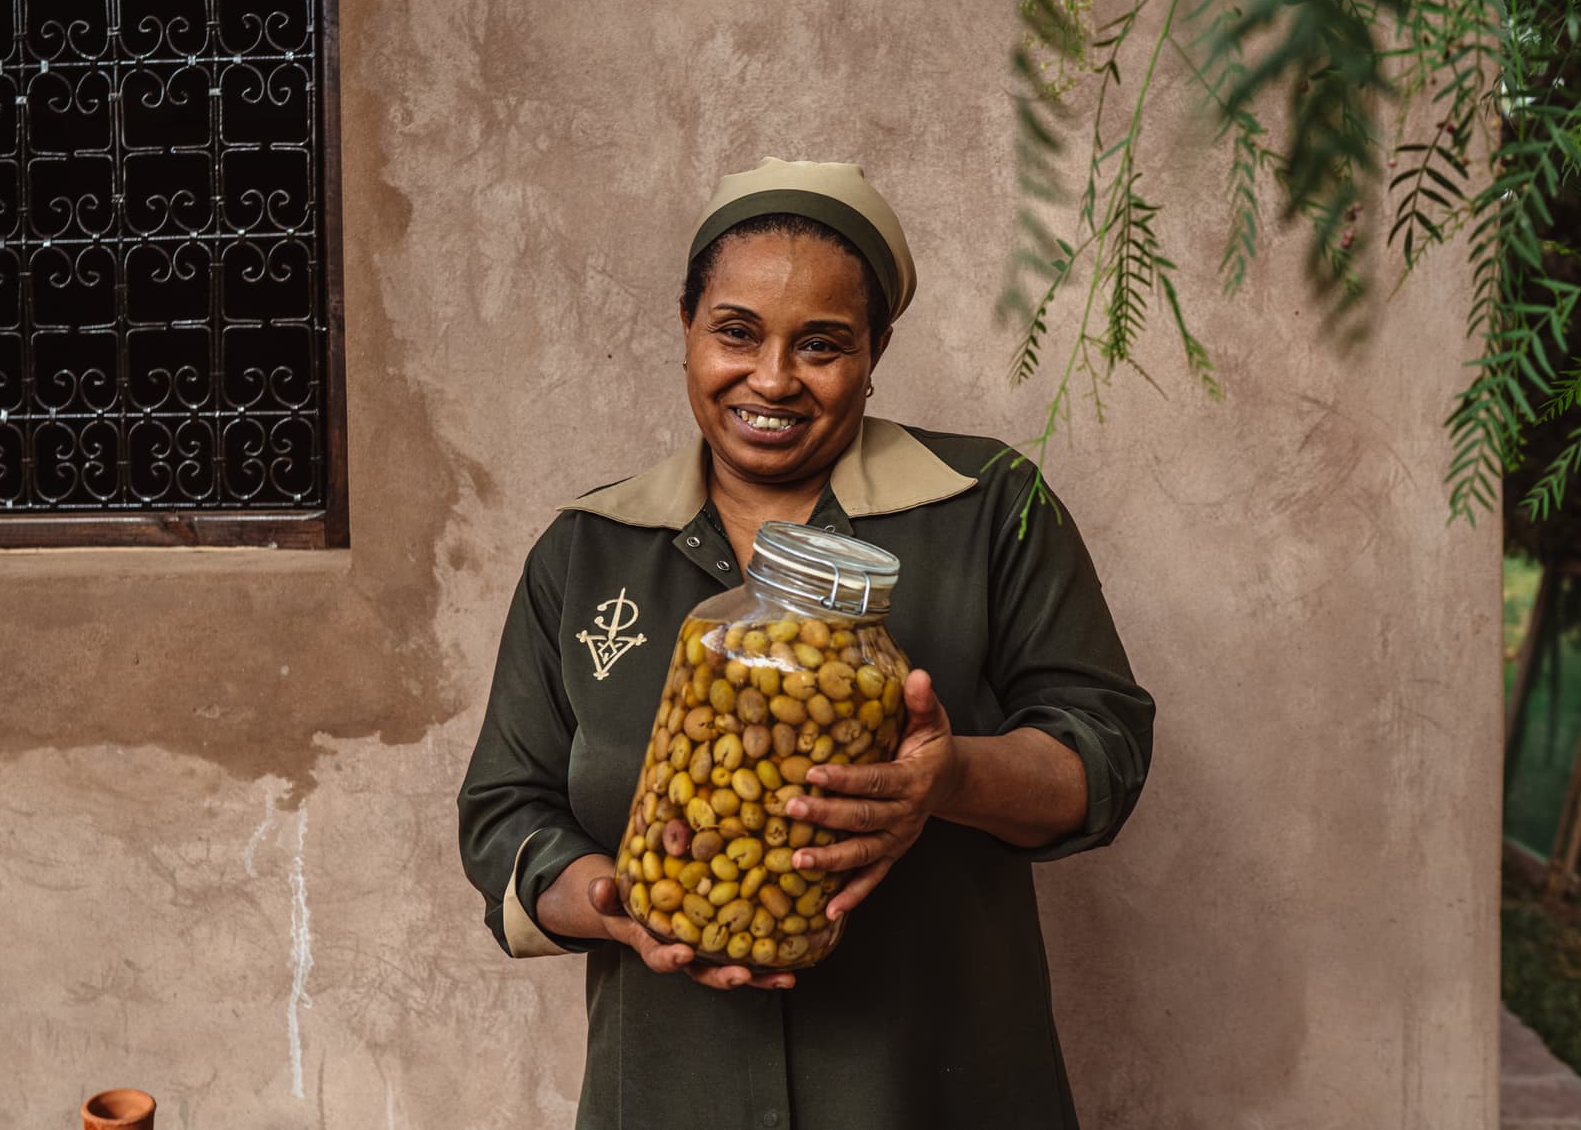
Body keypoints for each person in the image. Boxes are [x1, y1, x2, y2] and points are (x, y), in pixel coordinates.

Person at [457, 157, 1155, 1130]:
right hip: (669, 1093)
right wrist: (608, 897)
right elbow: (503, 814)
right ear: (688, 332)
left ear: (875, 352)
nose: (772, 378)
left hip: (934, 1092)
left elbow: (1105, 749)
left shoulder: (989, 508)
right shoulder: (586, 551)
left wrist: (948, 781)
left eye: (821, 343)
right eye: (736, 332)